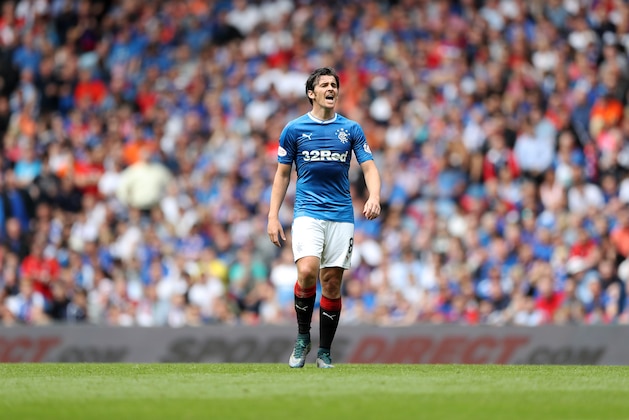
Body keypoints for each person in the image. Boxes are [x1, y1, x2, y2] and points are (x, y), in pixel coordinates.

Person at [267, 67, 381, 368]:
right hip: (307, 212)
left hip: (341, 215)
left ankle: (325, 351)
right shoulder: (294, 130)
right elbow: (281, 175)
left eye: (335, 84)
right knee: (307, 271)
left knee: (331, 283)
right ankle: (303, 336)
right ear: (311, 93)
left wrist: (374, 196)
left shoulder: (351, 129)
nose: (332, 89)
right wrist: (272, 216)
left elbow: (369, 166)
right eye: (325, 85)